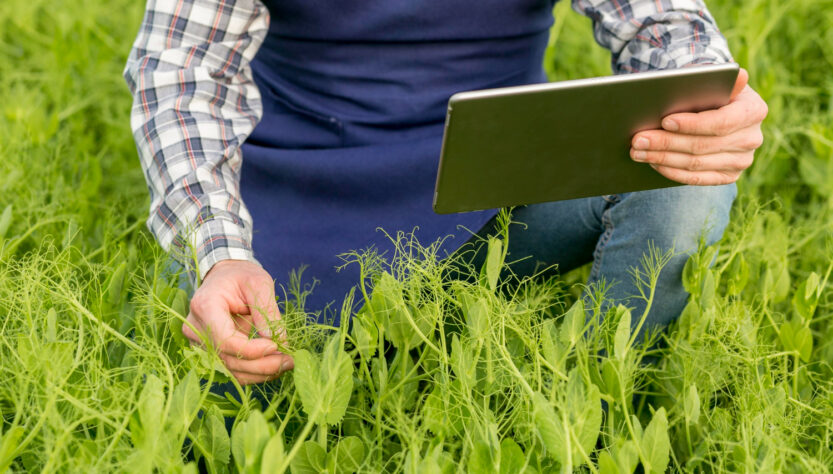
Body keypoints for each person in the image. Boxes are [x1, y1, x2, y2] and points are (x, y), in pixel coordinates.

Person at [124, 0, 767, 385]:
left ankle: (587, 413)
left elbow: (668, 25)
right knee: (243, 397)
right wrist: (219, 252)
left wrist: (709, 104)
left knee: (689, 177)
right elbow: (180, 75)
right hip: (295, 211)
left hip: (499, 194)